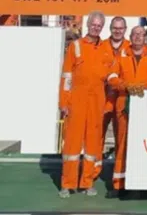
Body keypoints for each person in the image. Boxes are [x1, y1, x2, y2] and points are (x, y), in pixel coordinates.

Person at [58, 11, 114, 198]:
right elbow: (67, 77)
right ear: (88, 25)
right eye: (93, 24)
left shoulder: (106, 49)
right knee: (72, 144)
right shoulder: (75, 46)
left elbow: (111, 77)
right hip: (77, 100)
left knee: (93, 145)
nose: (95, 28)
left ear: (102, 27)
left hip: (97, 101)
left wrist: (108, 103)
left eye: (99, 25)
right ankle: (67, 184)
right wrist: (63, 102)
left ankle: (87, 182)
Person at [105, 26, 147, 197]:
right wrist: (126, 86)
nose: (138, 37)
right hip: (124, 104)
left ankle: (146, 183)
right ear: (130, 37)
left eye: (141, 34)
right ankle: (119, 184)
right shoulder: (121, 55)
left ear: (146, 37)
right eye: (135, 34)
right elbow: (111, 77)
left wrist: (142, 86)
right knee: (122, 144)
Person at [94, 16, 130, 181]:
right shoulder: (100, 47)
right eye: (115, 28)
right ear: (110, 28)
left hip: (122, 98)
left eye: (120, 28)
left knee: (122, 138)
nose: (117, 31)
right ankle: (93, 173)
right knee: (96, 137)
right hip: (102, 97)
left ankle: (119, 176)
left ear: (125, 29)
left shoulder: (130, 48)